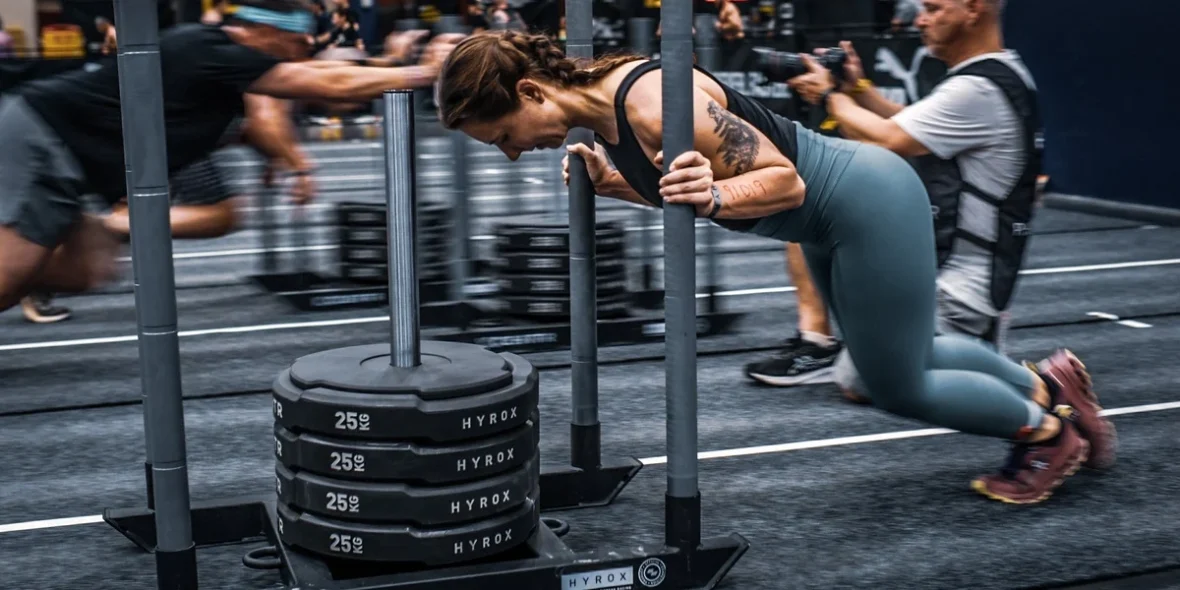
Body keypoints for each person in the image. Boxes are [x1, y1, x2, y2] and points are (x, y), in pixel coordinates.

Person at [434, 29, 1116, 504]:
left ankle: (1047, 435)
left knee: (895, 383)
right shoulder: (610, 115)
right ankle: (1045, 386)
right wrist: (616, 181)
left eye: (501, 139)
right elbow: (685, 181)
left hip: (865, 202)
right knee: (909, 351)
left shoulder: (647, 103)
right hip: (831, 219)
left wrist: (715, 195)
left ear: (529, 92)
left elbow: (782, 181)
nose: (511, 156)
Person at [0, 0, 461, 317]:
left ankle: (32, 263)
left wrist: (271, 151)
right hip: (42, 142)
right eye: (297, 43)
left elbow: (314, 79)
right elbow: (327, 85)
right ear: (267, 32)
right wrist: (423, 72)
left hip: (72, 165)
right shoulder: (209, 49)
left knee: (86, 270)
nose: (304, 51)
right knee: (8, 279)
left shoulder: (224, 60)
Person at [752, 0, 1041, 409]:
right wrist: (856, 89)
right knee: (818, 215)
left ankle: (1038, 388)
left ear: (974, 8)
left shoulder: (978, 88)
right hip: (942, 268)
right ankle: (911, 345)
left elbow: (889, 139)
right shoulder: (994, 75)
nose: (919, 19)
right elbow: (910, 123)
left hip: (962, 288)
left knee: (863, 379)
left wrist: (831, 94)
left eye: (934, 8)